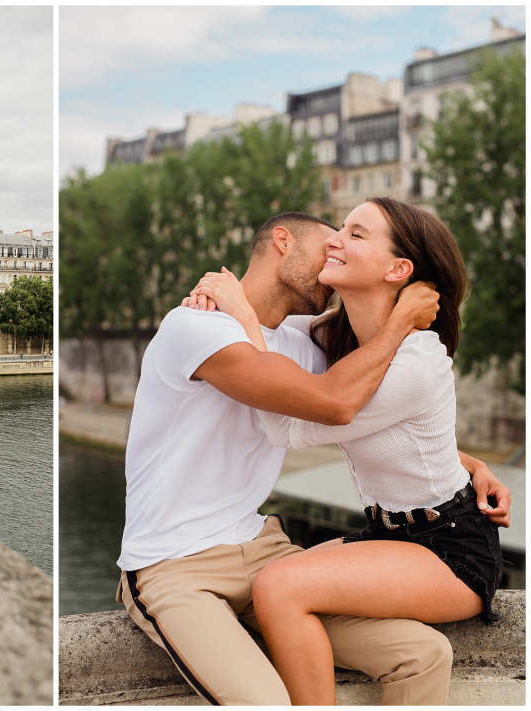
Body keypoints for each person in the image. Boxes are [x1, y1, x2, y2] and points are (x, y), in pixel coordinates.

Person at [118, 211, 510, 706]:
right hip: (173, 564)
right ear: (283, 241)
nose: (336, 252)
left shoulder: (309, 343)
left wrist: (470, 466)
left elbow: (386, 418)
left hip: (260, 547)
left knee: (423, 653)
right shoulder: (196, 326)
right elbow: (329, 405)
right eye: (330, 243)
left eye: (352, 238)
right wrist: (398, 323)